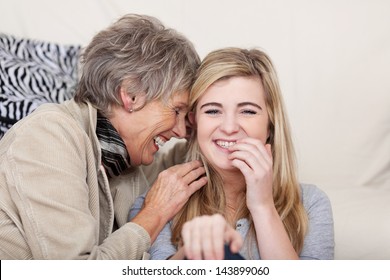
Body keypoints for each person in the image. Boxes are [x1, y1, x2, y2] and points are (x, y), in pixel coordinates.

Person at [0, 14, 208, 259]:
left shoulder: (124, 159)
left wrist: (210, 124)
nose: (181, 131)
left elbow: (180, 165)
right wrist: (155, 212)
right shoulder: (49, 134)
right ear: (131, 95)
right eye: (176, 111)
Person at [129, 47, 335, 260]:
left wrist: (263, 206)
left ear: (270, 125)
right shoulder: (157, 202)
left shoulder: (311, 204)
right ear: (194, 122)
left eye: (247, 111)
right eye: (212, 111)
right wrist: (196, 251)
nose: (229, 127)